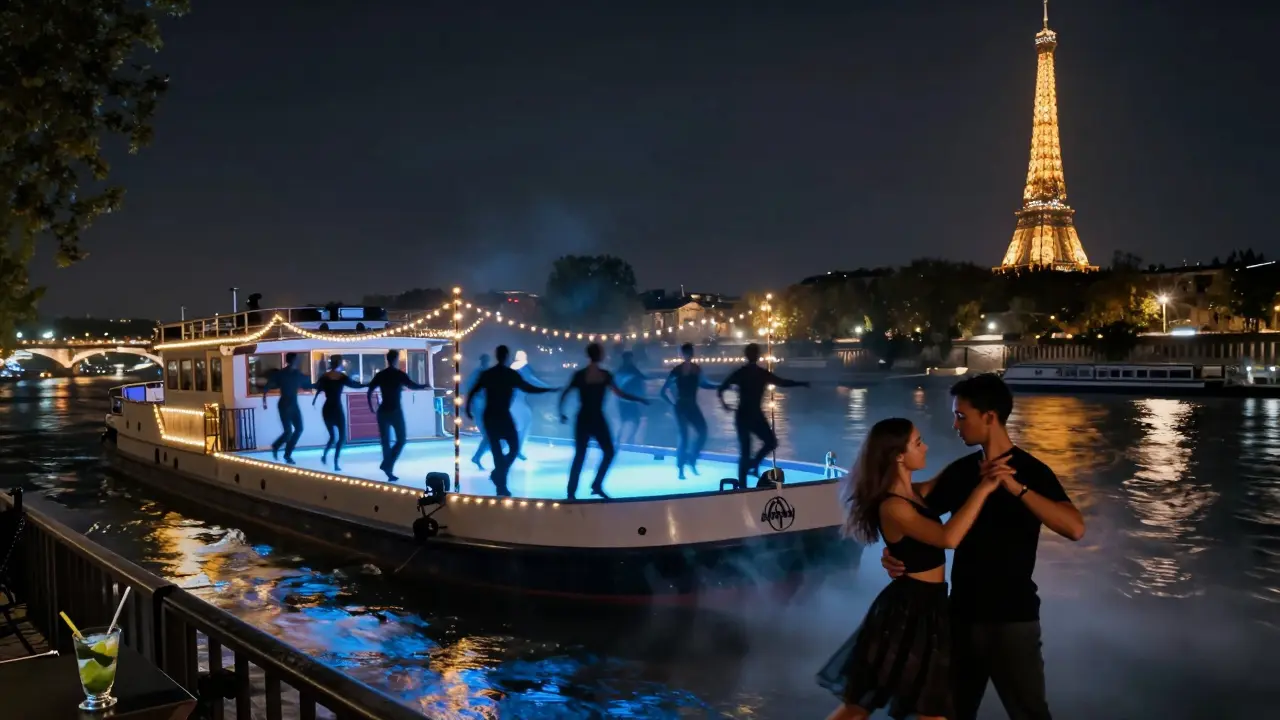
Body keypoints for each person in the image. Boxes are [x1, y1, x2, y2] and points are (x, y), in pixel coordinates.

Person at [880, 373, 1085, 720]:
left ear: (990, 417)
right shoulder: (963, 471)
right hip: (961, 617)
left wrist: (1016, 488)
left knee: (1030, 714)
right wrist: (895, 551)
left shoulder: (1031, 471)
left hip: (1013, 619)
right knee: (951, 713)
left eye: (962, 416)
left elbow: (1075, 528)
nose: (955, 425)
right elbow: (906, 507)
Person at [817, 418, 1007, 720]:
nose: (926, 447)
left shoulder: (914, 493)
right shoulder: (894, 506)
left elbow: (942, 480)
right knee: (864, 705)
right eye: (918, 443)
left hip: (929, 605)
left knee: (916, 707)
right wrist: (985, 488)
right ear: (898, 456)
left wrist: (982, 459)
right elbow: (948, 538)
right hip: (908, 609)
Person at [558, 343, 649, 500]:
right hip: (595, 417)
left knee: (582, 455)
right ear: (599, 355)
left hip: (585, 417)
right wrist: (639, 399)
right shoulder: (604, 375)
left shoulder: (582, 374)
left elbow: (565, 393)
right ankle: (593, 485)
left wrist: (561, 413)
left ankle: (574, 491)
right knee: (606, 452)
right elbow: (620, 394)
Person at [466, 345, 558, 496]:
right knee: (512, 448)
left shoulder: (490, 374)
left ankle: (499, 477)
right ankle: (500, 483)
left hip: (492, 416)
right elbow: (529, 388)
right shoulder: (509, 374)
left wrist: (468, 409)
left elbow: (473, 391)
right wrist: (548, 390)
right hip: (501, 415)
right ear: (507, 356)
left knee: (499, 451)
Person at [716, 343, 809, 488]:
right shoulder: (759, 373)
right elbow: (782, 382)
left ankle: (748, 475)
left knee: (753, 449)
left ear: (746, 356)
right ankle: (751, 470)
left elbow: (721, 389)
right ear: (757, 356)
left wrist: (725, 405)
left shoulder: (743, 373)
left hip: (745, 415)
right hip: (751, 415)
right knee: (764, 444)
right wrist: (801, 383)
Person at [366, 349, 428, 481]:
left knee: (385, 442)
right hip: (395, 411)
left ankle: (388, 468)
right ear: (395, 359)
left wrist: (371, 407)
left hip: (383, 411)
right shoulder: (399, 374)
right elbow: (412, 385)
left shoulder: (381, 375)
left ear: (387, 359)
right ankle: (387, 466)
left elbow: (370, 390)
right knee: (401, 440)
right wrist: (424, 386)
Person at [659, 342, 719, 479]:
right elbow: (662, 392)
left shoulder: (696, 369)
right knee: (684, 436)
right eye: (688, 352)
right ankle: (681, 469)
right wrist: (673, 404)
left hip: (691, 405)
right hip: (681, 406)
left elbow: (705, 384)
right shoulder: (677, 370)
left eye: (690, 352)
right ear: (684, 354)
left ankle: (692, 460)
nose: (689, 354)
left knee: (703, 432)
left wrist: (719, 386)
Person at [311, 355, 363, 471]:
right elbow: (355, 385)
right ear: (339, 363)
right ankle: (335, 462)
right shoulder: (341, 377)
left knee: (332, 437)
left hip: (327, 409)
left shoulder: (325, 376)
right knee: (341, 438)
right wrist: (368, 384)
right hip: (336, 409)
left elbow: (317, 387)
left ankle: (325, 456)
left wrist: (314, 398)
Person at [262, 352, 313, 464]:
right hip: (284, 405)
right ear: (293, 361)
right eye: (297, 359)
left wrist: (323, 385)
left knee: (299, 429)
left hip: (293, 405)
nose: (298, 361)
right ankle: (278, 448)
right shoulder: (281, 374)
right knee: (288, 432)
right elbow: (267, 386)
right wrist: (264, 401)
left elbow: (307, 385)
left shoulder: (297, 374)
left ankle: (286, 453)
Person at [509, 349, 553, 461]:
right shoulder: (522, 368)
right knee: (523, 424)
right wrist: (547, 387)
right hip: (517, 401)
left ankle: (515, 449)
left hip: (514, 401)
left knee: (520, 425)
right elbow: (532, 380)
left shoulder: (513, 367)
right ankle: (516, 450)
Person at [613, 350, 650, 446]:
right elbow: (643, 377)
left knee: (625, 421)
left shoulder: (619, 370)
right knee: (635, 420)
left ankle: (619, 439)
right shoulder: (632, 369)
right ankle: (629, 439)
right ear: (629, 358)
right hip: (630, 399)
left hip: (622, 400)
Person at [463, 353, 493, 470]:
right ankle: (478, 457)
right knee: (489, 437)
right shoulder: (479, 374)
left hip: (484, 409)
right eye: (486, 360)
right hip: (481, 409)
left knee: (490, 437)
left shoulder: (483, 373)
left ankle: (478, 457)